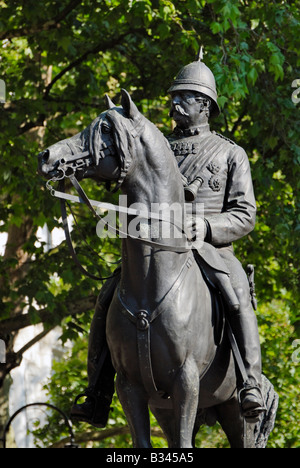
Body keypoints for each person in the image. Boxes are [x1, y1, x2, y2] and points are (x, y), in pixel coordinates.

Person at [70, 53, 266, 427]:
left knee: (237, 294)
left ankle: (250, 384)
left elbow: (245, 214)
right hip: (156, 250)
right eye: (173, 96)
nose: (173, 102)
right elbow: (133, 200)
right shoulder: (155, 146)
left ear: (204, 105)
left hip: (210, 249)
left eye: (184, 97)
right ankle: (97, 392)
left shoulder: (230, 154)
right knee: (107, 297)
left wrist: (206, 228)